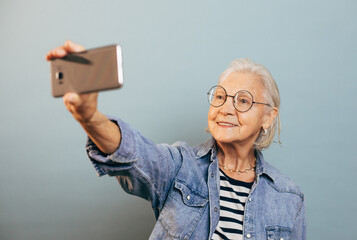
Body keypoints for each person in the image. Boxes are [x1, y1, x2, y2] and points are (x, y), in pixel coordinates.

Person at [46, 41, 306, 240]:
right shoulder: (180, 166)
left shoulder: (288, 197)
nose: (226, 108)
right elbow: (134, 155)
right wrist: (89, 117)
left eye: (243, 101)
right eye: (220, 97)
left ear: (268, 117)